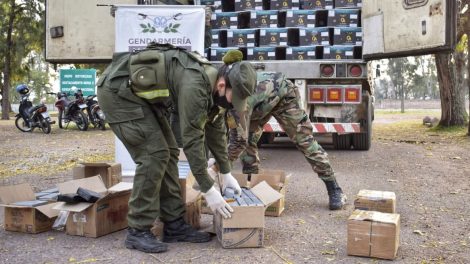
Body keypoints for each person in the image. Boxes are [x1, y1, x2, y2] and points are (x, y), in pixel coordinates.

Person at [97, 43, 256, 253]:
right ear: (222, 85)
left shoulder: (215, 90)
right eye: (233, 97)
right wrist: (208, 189)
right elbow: (193, 141)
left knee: (169, 152)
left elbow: (216, 130)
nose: (234, 103)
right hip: (118, 94)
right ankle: (137, 230)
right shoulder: (196, 86)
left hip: (141, 98)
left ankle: (173, 225)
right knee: (154, 155)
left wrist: (226, 172)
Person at [224, 51, 347, 211]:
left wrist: (218, 167)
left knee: (304, 141)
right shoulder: (219, 101)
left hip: (283, 94)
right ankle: (250, 184)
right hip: (258, 105)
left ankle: (335, 189)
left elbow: (236, 142)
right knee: (247, 142)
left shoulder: (237, 101)